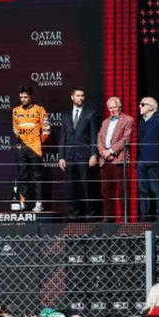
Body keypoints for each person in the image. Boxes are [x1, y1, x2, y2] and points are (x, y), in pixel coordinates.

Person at [56, 87, 99, 221]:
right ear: (72, 97)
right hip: (69, 156)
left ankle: (90, 214)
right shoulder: (66, 115)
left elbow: (93, 136)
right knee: (70, 187)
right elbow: (63, 136)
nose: (80, 98)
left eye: (82, 96)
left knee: (86, 186)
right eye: (78, 95)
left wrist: (93, 154)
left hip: (84, 155)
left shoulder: (90, 113)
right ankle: (72, 214)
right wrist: (61, 156)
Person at [12, 86, 50, 212]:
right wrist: (22, 141)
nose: (23, 99)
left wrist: (37, 141)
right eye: (21, 97)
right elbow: (15, 129)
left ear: (31, 96)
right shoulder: (16, 111)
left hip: (35, 148)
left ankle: (39, 203)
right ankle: (23, 202)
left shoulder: (40, 110)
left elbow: (46, 130)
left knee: (37, 176)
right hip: (22, 147)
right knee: (22, 175)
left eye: (26, 97)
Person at [96, 96, 133, 222]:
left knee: (122, 190)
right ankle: (109, 217)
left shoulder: (127, 120)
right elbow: (99, 139)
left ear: (120, 107)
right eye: (110, 108)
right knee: (105, 190)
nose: (112, 110)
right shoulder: (105, 122)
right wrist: (104, 153)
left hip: (119, 159)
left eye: (114, 107)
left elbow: (126, 139)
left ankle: (124, 218)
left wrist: (111, 151)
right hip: (105, 160)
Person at [136, 96, 159, 221]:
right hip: (142, 160)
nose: (140, 106)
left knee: (157, 189)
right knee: (143, 189)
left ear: (151, 107)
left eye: (143, 104)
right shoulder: (141, 122)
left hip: (155, 160)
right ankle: (144, 215)